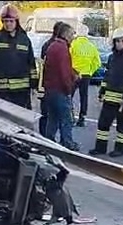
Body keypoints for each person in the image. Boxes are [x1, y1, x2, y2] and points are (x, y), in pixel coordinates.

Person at [88, 28, 123, 158]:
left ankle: (120, 149)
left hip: (122, 100)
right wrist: (102, 92)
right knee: (103, 124)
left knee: (122, 127)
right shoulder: (111, 58)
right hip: (109, 98)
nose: (119, 44)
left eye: (122, 41)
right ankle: (100, 148)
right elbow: (107, 77)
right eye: (117, 41)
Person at [0, 4, 38, 109]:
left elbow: (31, 63)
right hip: (1, 89)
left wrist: (34, 83)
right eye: (5, 21)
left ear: (16, 21)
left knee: (21, 119)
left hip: (22, 91)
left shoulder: (24, 39)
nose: (8, 24)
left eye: (11, 21)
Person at [43, 22, 79, 150]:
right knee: (66, 119)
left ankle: (48, 142)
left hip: (50, 89)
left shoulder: (52, 46)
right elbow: (64, 71)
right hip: (60, 90)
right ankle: (68, 144)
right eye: (72, 34)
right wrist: (69, 88)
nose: (73, 37)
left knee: (53, 118)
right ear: (66, 34)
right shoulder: (62, 49)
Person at [70, 24, 102, 127]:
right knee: (84, 97)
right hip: (86, 74)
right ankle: (82, 118)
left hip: (74, 74)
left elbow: (67, 58)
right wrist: (90, 71)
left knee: (69, 95)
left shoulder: (73, 44)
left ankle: (70, 115)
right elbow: (98, 63)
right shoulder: (91, 46)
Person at [38, 21, 67, 135]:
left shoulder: (47, 44)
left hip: (46, 85)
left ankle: (44, 138)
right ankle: (52, 140)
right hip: (55, 87)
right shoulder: (59, 46)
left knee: (47, 114)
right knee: (56, 116)